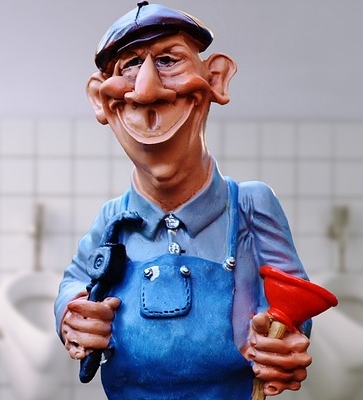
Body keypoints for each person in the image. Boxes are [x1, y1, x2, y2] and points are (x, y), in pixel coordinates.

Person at [54, 2, 313, 399]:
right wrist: (71, 312)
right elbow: (76, 278)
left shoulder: (249, 206)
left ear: (216, 79)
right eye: (130, 65)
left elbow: (293, 298)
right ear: (101, 101)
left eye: (168, 60)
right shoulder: (114, 219)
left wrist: (284, 340)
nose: (147, 89)